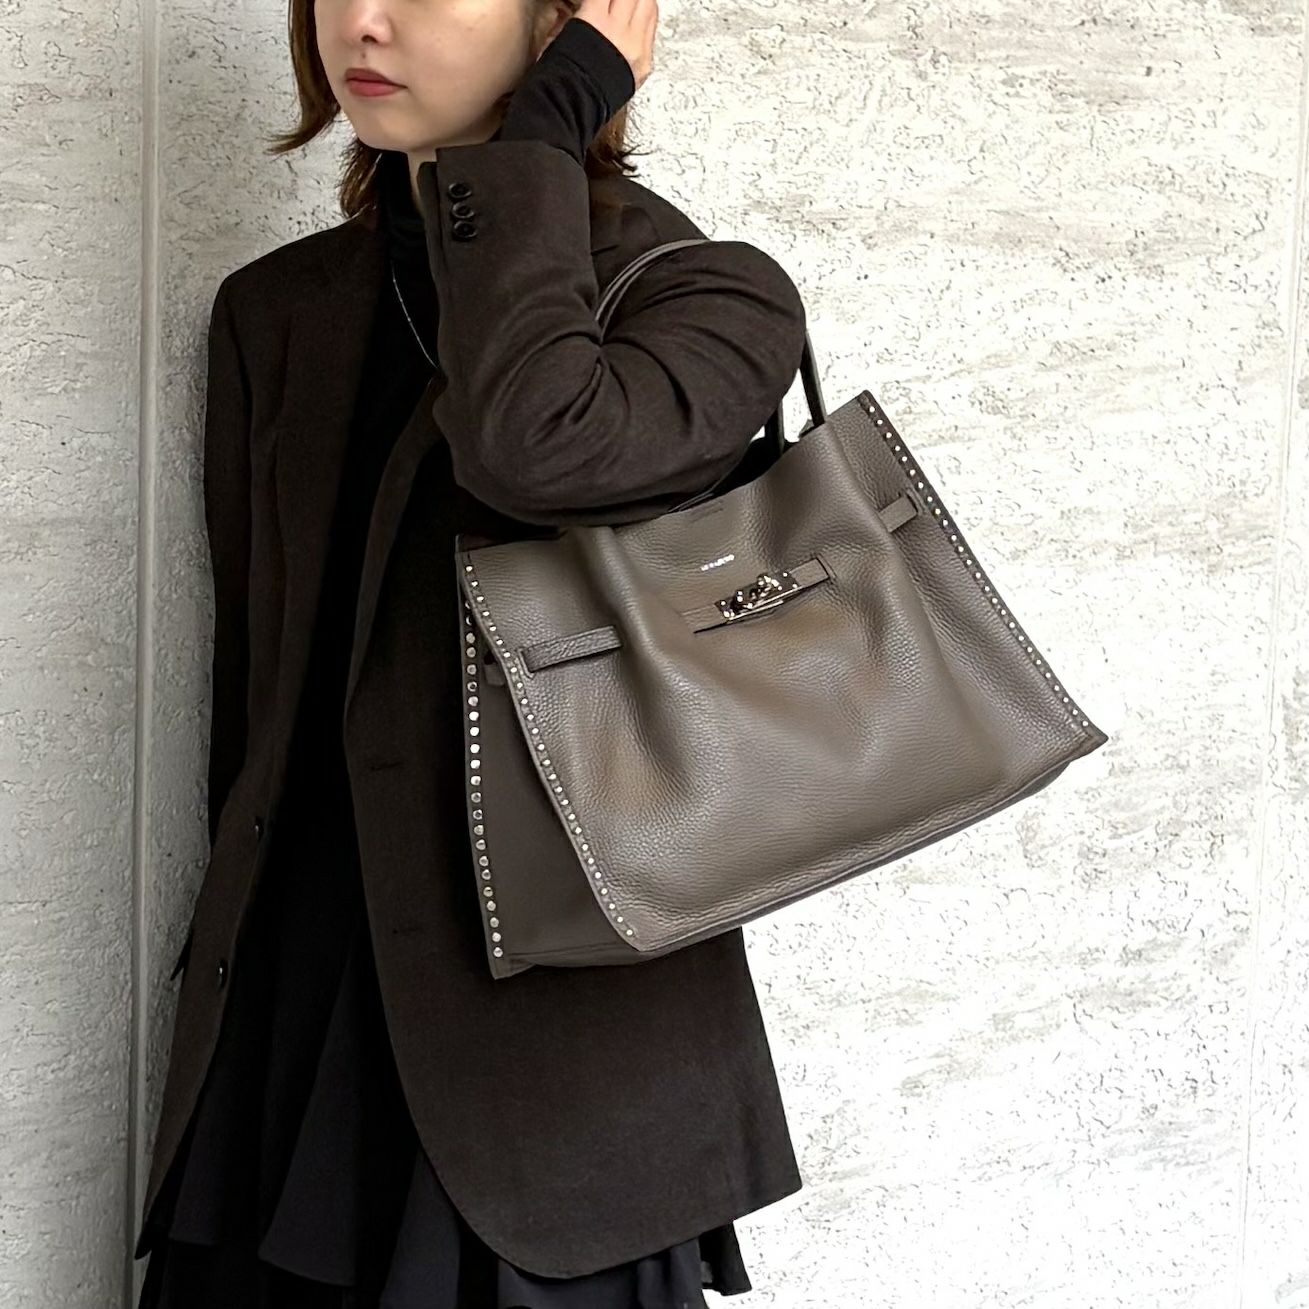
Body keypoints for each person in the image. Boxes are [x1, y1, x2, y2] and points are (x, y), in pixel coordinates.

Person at [134, 0, 810, 1303]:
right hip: (290, 1029)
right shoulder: (275, 310)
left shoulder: (702, 295)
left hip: (552, 1063)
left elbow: (535, 446)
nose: (363, 23)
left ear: (565, 25)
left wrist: (541, 136)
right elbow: (256, 701)